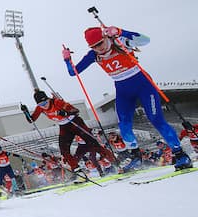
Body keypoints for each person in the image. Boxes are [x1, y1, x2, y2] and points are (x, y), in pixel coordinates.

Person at [63, 26, 192, 171]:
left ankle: (180, 154)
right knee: (124, 123)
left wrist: (120, 32)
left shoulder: (119, 41)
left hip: (143, 84)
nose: (98, 48)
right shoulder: (93, 55)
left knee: (156, 119)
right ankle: (136, 155)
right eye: (94, 46)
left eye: (100, 43)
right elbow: (73, 72)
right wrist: (67, 59)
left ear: (105, 37)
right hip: (123, 89)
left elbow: (145, 40)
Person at [21, 90, 116, 177]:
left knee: (93, 145)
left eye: (45, 102)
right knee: (64, 150)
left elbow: (75, 111)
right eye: (41, 104)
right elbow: (31, 120)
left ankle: (115, 162)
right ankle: (77, 170)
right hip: (64, 127)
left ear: (48, 99)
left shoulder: (57, 102)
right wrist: (26, 112)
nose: (44, 106)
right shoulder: (40, 108)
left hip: (75, 122)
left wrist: (65, 113)